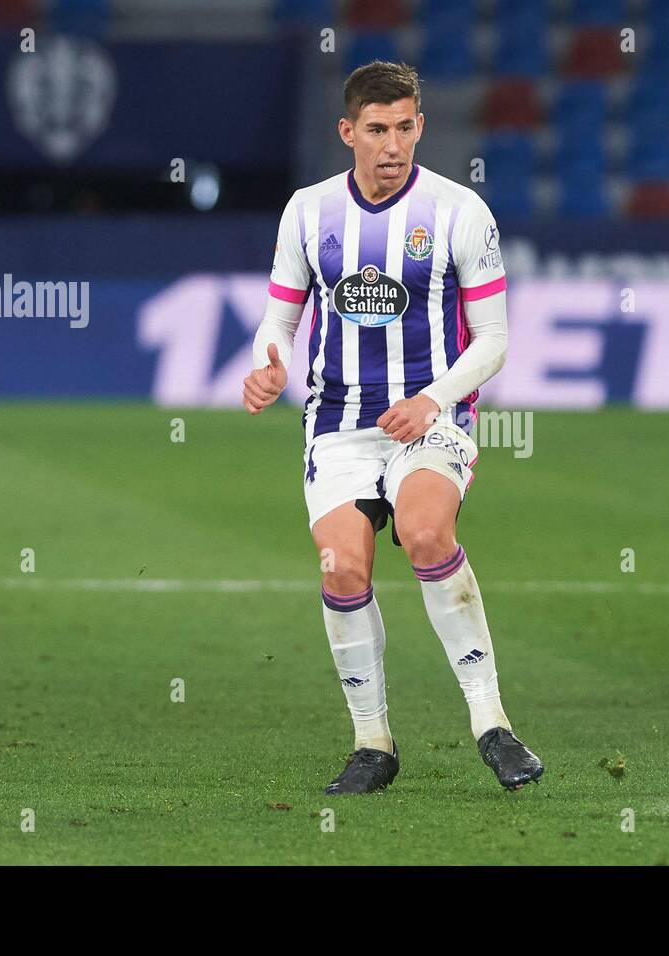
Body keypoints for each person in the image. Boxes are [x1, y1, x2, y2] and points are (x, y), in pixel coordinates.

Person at [243, 61, 543, 795]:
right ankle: (372, 743)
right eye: (376, 129)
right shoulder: (308, 212)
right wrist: (267, 366)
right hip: (339, 425)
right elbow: (277, 320)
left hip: (429, 421)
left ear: (420, 127)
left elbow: (494, 340)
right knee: (342, 569)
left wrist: (433, 401)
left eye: (405, 127)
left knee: (426, 534)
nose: (391, 144)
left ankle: (492, 725)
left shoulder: (459, 212)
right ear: (347, 132)